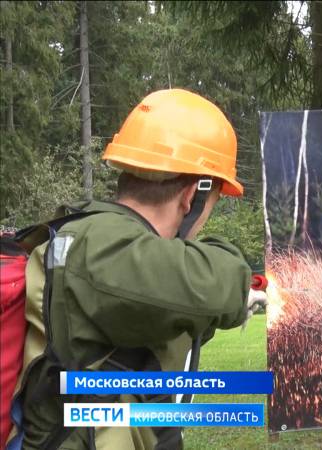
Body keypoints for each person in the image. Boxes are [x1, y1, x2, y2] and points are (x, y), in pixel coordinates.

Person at [10, 89, 263, 449]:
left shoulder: (119, 248)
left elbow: (162, 327)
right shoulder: (100, 243)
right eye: (215, 199)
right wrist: (237, 287)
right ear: (193, 195)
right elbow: (212, 282)